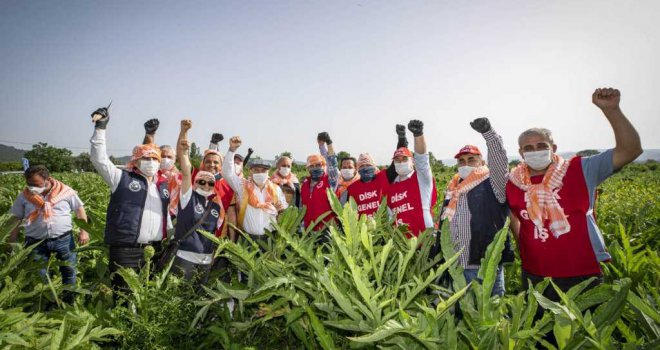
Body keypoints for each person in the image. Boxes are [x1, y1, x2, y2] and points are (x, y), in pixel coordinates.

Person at [506, 88, 642, 300]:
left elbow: (630, 150)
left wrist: (612, 110)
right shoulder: (513, 181)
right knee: (541, 331)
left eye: (541, 145)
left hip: (583, 272)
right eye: (528, 148)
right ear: (521, 153)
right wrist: (524, 249)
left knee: (586, 329)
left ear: (554, 148)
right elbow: (514, 216)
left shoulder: (581, 169)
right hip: (535, 273)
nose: (535, 150)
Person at [89, 104, 172, 291]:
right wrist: (100, 128)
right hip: (126, 250)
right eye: (146, 159)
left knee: (148, 295)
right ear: (136, 161)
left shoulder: (163, 185)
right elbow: (99, 159)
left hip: (155, 250)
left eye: (154, 159)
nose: (150, 163)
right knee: (125, 296)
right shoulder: (121, 178)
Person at [439, 118, 512, 296]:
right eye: (461, 161)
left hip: (482, 265)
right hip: (455, 264)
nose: (465, 164)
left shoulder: (492, 183)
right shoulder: (453, 187)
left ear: (481, 162)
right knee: (462, 315)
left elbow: (499, 162)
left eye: (471, 159)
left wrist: (489, 134)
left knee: (487, 316)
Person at [8, 165, 89, 302]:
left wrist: (84, 231)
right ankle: (46, 303)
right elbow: (16, 218)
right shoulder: (24, 196)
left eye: (35, 184)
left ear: (47, 179)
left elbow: (79, 210)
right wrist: (13, 242)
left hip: (63, 239)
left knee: (69, 270)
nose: (32, 187)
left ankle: (69, 301)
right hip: (35, 242)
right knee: (39, 275)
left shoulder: (66, 192)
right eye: (29, 184)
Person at [168, 119, 225, 282]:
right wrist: (184, 144)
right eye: (201, 181)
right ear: (196, 180)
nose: (206, 184)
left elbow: (216, 232)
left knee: (196, 299)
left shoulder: (216, 205)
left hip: (206, 260)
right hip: (184, 257)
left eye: (210, 183)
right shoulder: (188, 197)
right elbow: (185, 170)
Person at [222, 136, 287, 241]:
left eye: (263, 170)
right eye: (256, 170)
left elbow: (283, 210)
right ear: (250, 172)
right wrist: (232, 150)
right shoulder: (242, 186)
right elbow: (227, 173)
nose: (260, 173)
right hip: (247, 239)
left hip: (270, 240)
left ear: (268, 173)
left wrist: (280, 210)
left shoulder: (276, 189)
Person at [384, 120, 435, 238]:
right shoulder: (390, 188)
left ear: (412, 161)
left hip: (425, 241)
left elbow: (422, 159)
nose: (401, 162)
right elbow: (390, 217)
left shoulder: (421, 178)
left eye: (404, 159)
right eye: (397, 160)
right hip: (402, 245)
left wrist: (418, 135)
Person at [301, 132, 339, 232]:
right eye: (312, 166)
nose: (315, 168)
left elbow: (332, 163)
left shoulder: (330, 180)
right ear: (308, 168)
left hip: (327, 230)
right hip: (308, 230)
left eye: (318, 165)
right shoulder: (305, 184)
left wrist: (328, 143)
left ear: (323, 166)